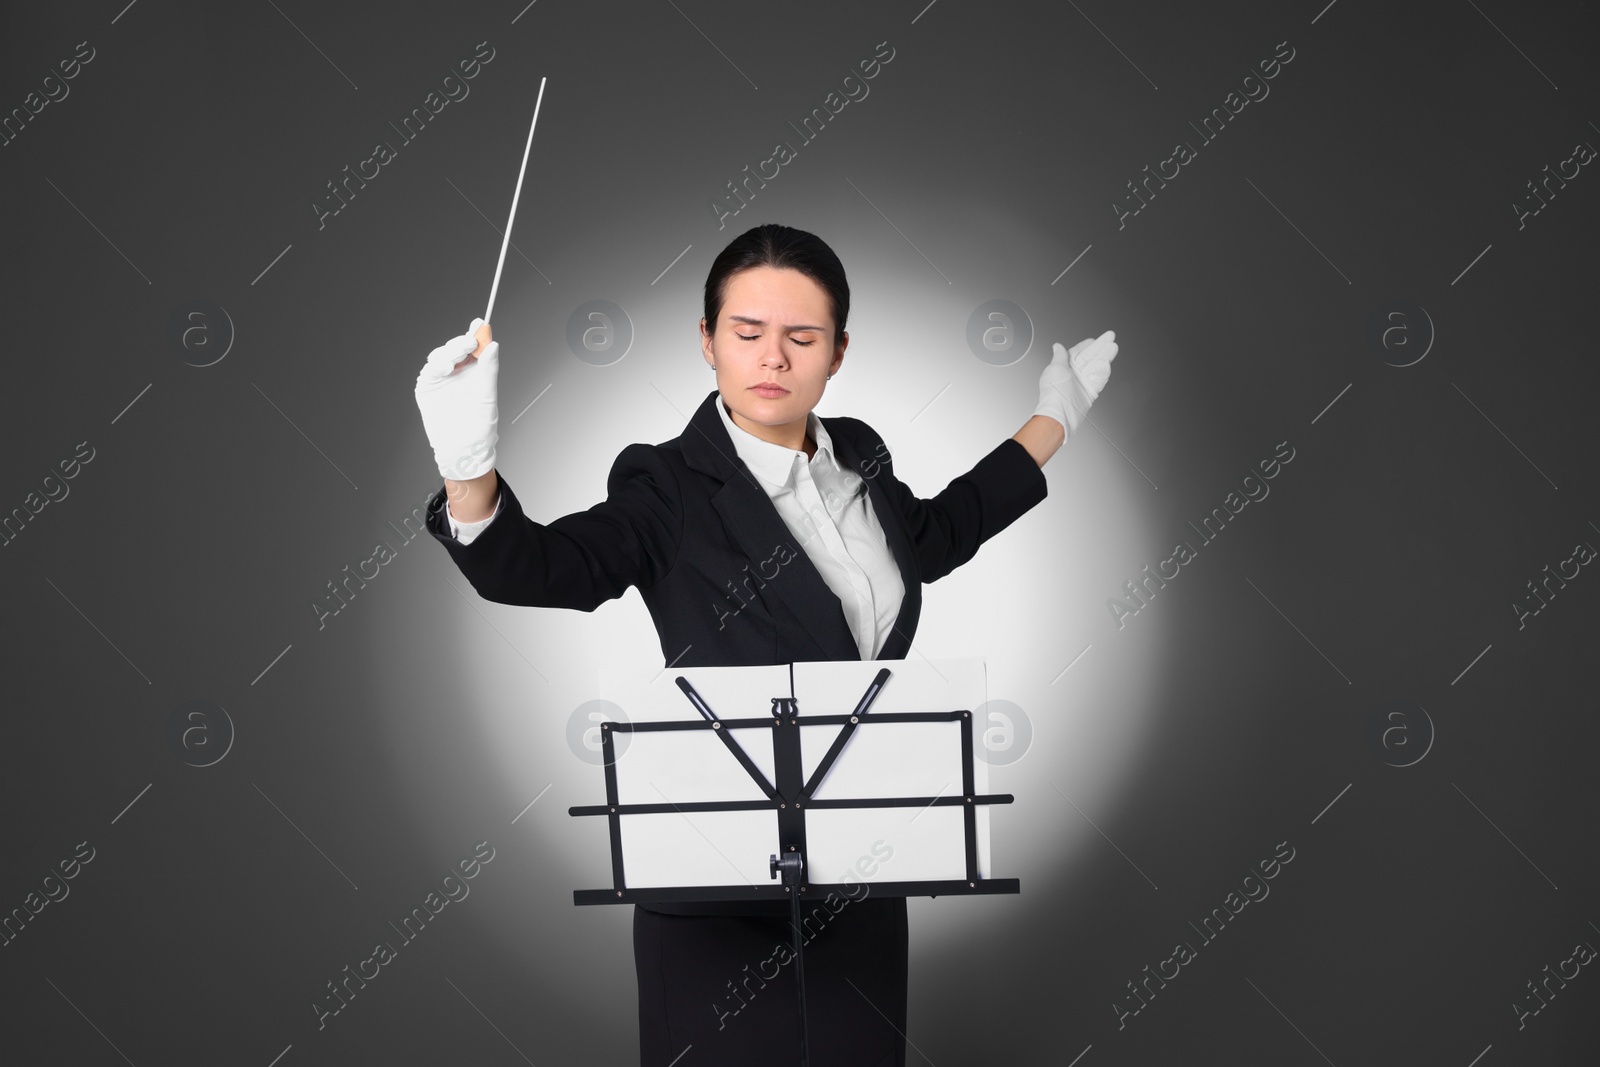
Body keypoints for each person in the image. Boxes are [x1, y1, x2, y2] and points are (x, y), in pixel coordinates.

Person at [414, 223, 1118, 1066]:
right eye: (746, 333)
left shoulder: (859, 456)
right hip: (716, 904)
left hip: (860, 882)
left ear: (839, 351)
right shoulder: (666, 487)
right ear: (707, 342)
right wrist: (467, 466)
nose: (772, 358)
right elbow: (540, 568)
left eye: (802, 337)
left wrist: (1054, 419)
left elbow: (941, 530)